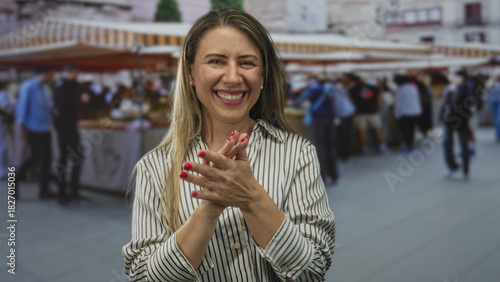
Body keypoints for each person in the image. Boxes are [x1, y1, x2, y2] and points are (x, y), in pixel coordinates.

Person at [122, 9, 335, 282]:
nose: (233, 77)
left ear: (264, 75)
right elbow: (143, 278)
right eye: (216, 61)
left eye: (246, 63)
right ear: (190, 72)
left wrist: (252, 198)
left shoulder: (297, 153)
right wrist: (207, 211)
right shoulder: (154, 168)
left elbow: (312, 271)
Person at [291, 74, 339, 184]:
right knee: (331, 146)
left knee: (320, 147)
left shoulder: (312, 89)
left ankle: (323, 176)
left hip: (319, 119)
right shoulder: (329, 88)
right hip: (331, 118)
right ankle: (334, 175)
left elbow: (297, 102)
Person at [16, 66, 56, 199]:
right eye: (50, 74)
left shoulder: (46, 88)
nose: (52, 77)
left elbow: (49, 105)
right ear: (44, 74)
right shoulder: (28, 87)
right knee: (34, 156)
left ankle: (44, 190)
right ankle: (14, 181)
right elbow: (22, 106)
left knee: (47, 158)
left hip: (45, 127)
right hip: (32, 127)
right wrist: (22, 126)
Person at [52, 65, 87, 204]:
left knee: (65, 157)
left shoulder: (66, 84)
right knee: (77, 155)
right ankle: (71, 192)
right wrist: (80, 98)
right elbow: (64, 104)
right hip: (65, 125)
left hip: (65, 124)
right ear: (72, 72)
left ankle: (64, 192)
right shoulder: (63, 86)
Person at [439, 70, 474, 181]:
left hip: (462, 120)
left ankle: (465, 171)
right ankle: (452, 166)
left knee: (464, 146)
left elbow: (465, 103)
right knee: (447, 144)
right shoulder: (449, 88)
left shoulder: (466, 88)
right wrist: (440, 116)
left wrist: (458, 88)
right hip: (449, 120)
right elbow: (445, 103)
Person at [342, 73, 387, 153]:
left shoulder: (353, 89)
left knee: (362, 130)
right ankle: (381, 145)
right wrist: (377, 106)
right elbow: (379, 97)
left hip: (360, 112)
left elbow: (351, 101)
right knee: (377, 128)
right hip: (372, 111)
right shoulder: (372, 87)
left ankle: (364, 147)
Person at [393, 75, 422, 152]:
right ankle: (410, 143)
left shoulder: (400, 90)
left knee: (406, 130)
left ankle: (408, 144)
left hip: (405, 113)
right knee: (412, 129)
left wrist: (396, 114)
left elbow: (398, 103)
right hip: (415, 112)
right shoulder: (413, 88)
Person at [0, 80, 15, 178]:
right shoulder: (3, 94)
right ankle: (2, 168)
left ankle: (3, 168)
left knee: (3, 145)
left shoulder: (3, 94)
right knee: (3, 145)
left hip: (3, 122)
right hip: (2, 122)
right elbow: (4, 108)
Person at [484, 74, 500, 142]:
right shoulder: (490, 83)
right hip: (492, 103)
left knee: (498, 120)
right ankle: (498, 136)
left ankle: (498, 136)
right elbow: (487, 93)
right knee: (496, 120)